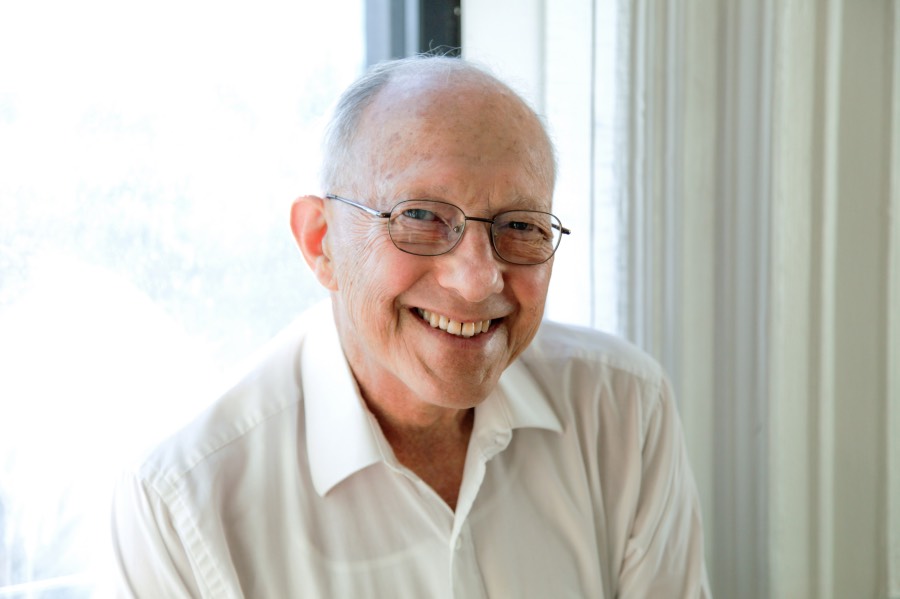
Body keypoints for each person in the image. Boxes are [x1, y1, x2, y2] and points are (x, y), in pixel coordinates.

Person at [111, 55, 711, 598]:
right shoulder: (182, 504)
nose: (477, 281)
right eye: (420, 216)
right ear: (320, 243)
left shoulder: (623, 409)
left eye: (521, 226)